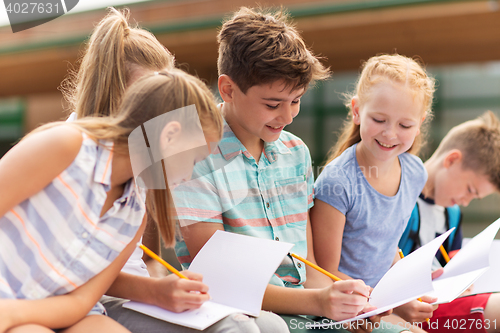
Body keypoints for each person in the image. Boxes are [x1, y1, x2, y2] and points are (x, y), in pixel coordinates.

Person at [171, 7, 407, 333]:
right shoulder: (192, 153)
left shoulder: (295, 152)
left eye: (296, 100)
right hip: (245, 315)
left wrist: (349, 306)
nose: (288, 116)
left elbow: (308, 265)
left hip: (306, 311)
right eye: (272, 104)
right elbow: (220, 282)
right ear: (227, 89)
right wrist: (321, 302)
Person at [61, 8, 287, 333]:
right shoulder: (73, 152)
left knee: (271, 327)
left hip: (129, 291)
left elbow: (140, 252)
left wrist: (162, 285)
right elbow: (75, 272)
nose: (158, 106)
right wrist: (155, 290)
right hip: (102, 298)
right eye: (148, 94)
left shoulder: (143, 154)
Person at [0, 69, 223, 333]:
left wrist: (11, 314)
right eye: (194, 160)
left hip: (48, 314)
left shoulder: (135, 215)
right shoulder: (67, 145)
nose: (189, 175)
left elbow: (81, 301)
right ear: (169, 136)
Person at [311, 54, 436, 332]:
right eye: (379, 119)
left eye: (405, 125)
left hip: (381, 303)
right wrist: (393, 303)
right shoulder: (337, 181)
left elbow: (387, 247)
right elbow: (324, 271)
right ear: (356, 111)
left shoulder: (415, 172)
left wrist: (405, 291)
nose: (391, 134)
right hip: (343, 309)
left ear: (420, 124)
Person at [398, 110, 500, 333]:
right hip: (409, 308)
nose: (466, 201)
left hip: (442, 304)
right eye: (470, 190)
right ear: (452, 160)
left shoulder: (452, 214)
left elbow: (449, 265)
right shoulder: (398, 197)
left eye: (475, 197)